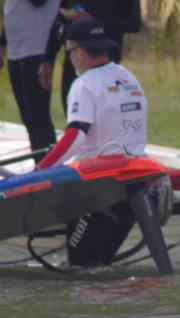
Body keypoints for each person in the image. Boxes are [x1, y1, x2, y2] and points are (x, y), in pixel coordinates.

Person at [37, 19, 149, 267]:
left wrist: (42, 169)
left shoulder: (84, 84)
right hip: (134, 185)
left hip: (98, 189)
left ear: (80, 52)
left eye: (69, 53)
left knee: (82, 269)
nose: (70, 60)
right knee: (102, 266)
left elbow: (76, 136)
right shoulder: (128, 76)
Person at [38, 0, 141, 115]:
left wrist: (94, 22)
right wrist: (48, 58)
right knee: (71, 107)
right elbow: (60, 20)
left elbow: (134, 23)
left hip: (104, 54)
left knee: (99, 112)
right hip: (74, 54)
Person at [0, 0, 61, 162]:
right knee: (27, 116)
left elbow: (38, 2)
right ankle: (39, 163)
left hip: (36, 48)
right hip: (16, 48)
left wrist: (48, 58)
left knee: (38, 115)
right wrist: (2, 44)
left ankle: (51, 165)